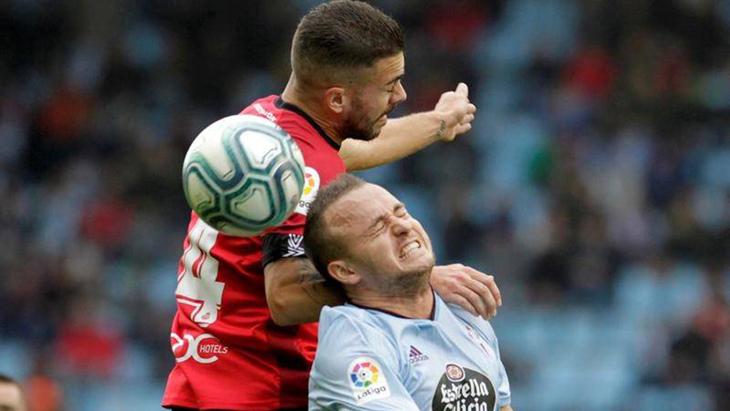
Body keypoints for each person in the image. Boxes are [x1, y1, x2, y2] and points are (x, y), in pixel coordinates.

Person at [163, 1, 502, 410]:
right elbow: (285, 295)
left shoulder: (262, 126)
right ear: (337, 99)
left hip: (207, 376)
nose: (401, 94)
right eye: (390, 85)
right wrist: (417, 284)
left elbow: (349, 151)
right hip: (261, 390)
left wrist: (439, 122)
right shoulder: (306, 174)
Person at [304, 175, 513, 411]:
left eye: (401, 213)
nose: (403, 227)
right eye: (378, 228)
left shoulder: (461, 309)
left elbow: (502, 406)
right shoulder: (353, 346)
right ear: (346, 271)